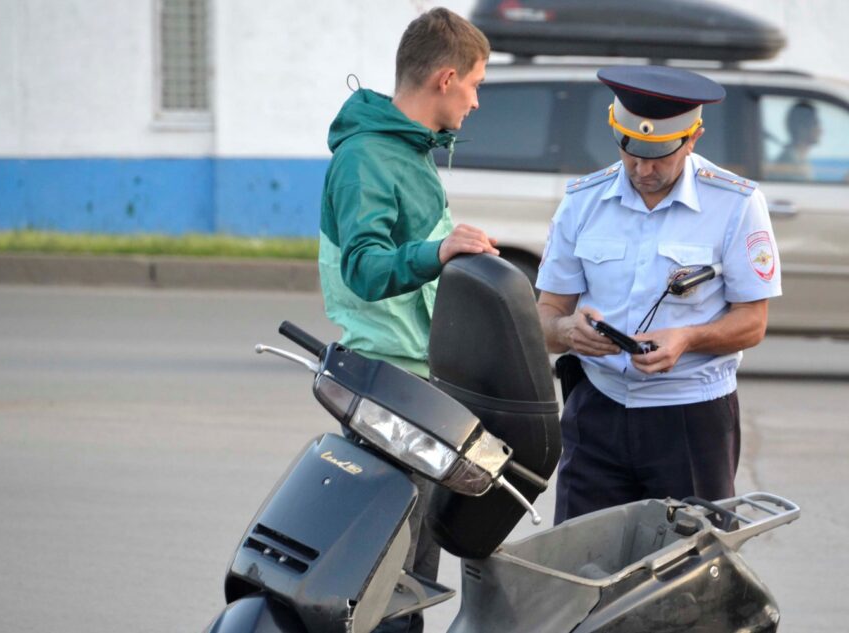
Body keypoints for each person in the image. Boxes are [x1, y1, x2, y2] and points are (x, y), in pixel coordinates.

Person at [536, 65, 782, 525]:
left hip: (689, 416)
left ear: (693, 138)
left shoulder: (736, 203)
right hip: (597, 411)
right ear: (615, 128)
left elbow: (753, 322)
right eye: (631, 152)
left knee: (688, 574)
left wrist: (687, 338)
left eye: (659, 156)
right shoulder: (583, 200)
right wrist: (568, 331)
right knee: (581, 568)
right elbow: (546, 316)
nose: (642, 169)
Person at [318, 8, 496, 632]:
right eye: (475, 85)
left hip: (418, 387)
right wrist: (440, 252)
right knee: (387, 584)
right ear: (445, 79)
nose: (476, 102)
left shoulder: (410, 154)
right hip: (387, 387)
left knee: (415, 575)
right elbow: (365, 268)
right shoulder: (367, 158)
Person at [771, 100, 821, 181]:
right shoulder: (790, 164)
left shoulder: (797, 158)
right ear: (802, 128)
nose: (820, 129)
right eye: (815, 123)